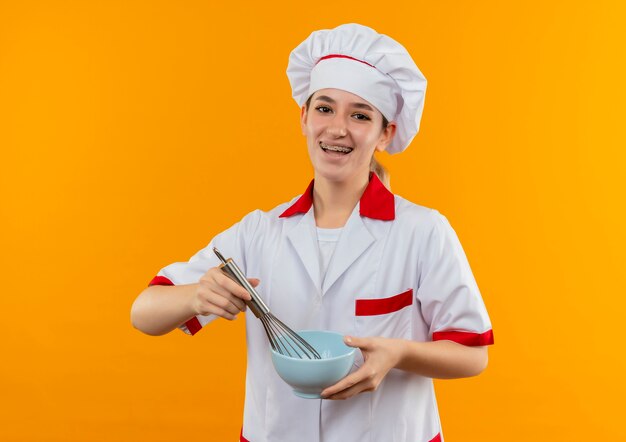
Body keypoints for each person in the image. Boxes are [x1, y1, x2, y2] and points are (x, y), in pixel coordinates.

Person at [131, 23, 494, 442]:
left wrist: (398, 354)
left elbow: (472, 354)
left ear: (385, 133)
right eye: (324, 108)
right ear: (303, 117)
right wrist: (195, 296)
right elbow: (143, 312)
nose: (337, 128)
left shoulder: (423, 232)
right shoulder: (258, 233)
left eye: (360, 115)